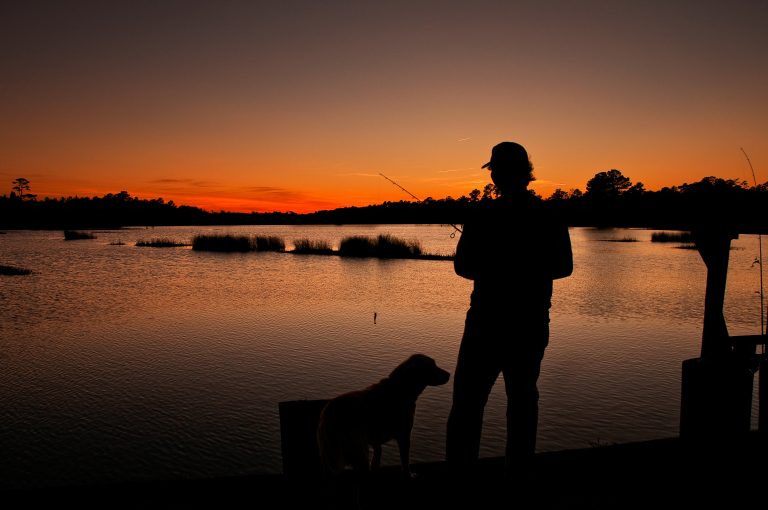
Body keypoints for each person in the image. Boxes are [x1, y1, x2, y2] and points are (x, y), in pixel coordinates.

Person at [445, 141, 573, 479]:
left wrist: (497, 266)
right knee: (522, 402)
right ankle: (518, 477)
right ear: (527, 173)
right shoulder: (550, 215)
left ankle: (460, 479)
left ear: (498, 175)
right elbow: (564, 267)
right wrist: (528, 267)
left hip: (485, 324)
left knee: (467, 406)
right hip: (530, 324)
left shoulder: (482, 216)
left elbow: (462, 267)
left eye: (497, 170)